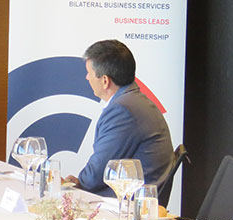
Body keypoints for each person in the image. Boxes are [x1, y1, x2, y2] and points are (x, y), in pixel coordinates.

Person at [64, 39, 173, 197]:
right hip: (137, 198)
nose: (87, 77)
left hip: (127, 203)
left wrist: (75, 183)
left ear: (105, 81)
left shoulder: (122, 111)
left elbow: (95, 176)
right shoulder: (135, 102)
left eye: (89, 73)